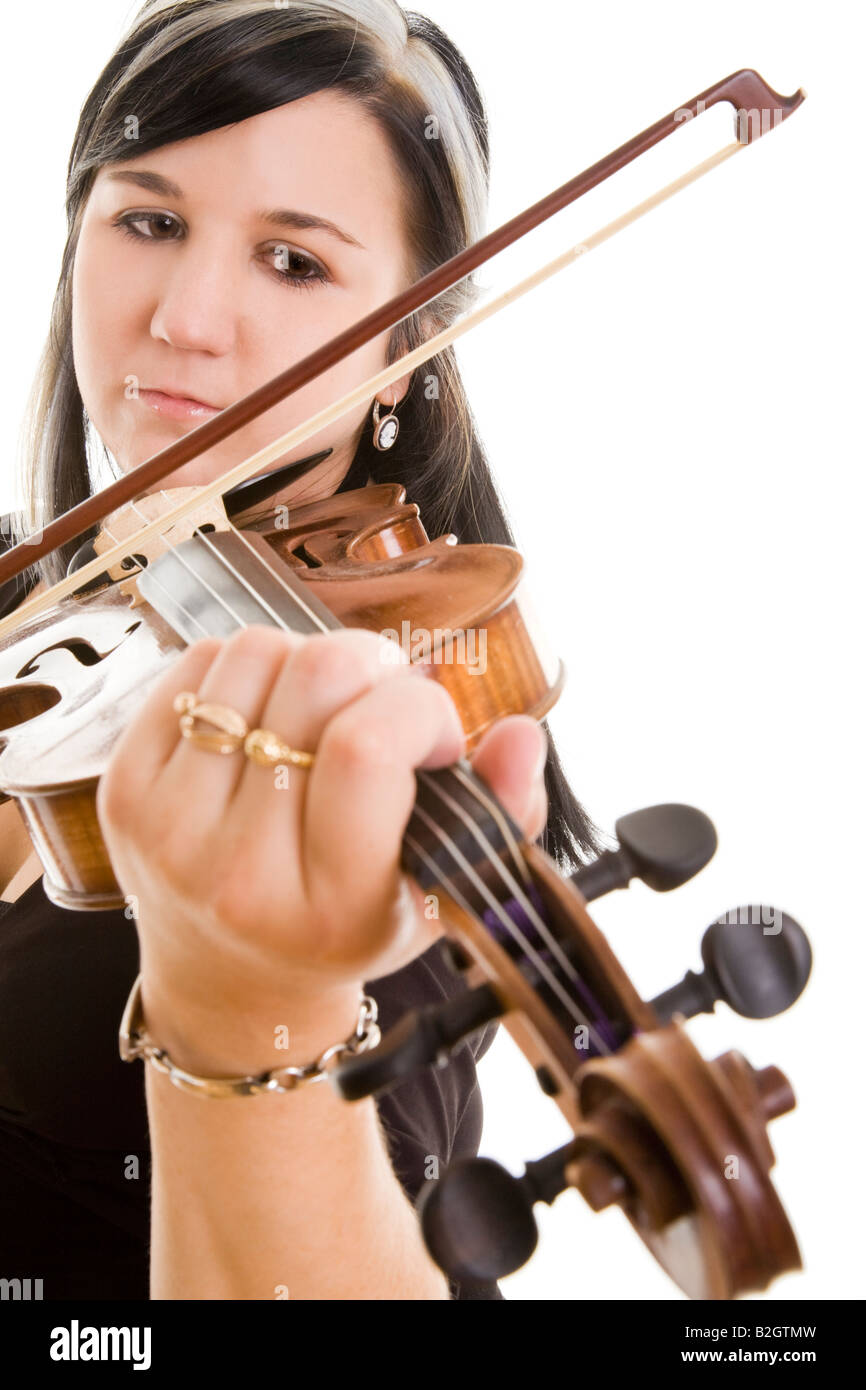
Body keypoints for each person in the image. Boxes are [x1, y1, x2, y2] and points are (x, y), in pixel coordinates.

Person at [0, 0, 599, 1300]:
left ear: (404, 349)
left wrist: (256, 997)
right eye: (150, 222)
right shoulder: (36, 613)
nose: (188, 318)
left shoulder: (364, 747)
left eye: (295, 262)